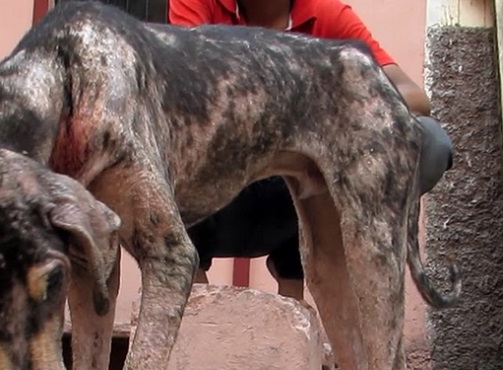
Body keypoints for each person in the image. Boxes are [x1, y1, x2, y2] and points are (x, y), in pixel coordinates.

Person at [170, 0, 454, 300]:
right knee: (165, 151)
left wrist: (326, 112)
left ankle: (303, 289)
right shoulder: (197, 4)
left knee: (429, 140)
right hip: (216, 189)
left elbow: (415, 99)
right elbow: (191, 93)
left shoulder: (325, 13)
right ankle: (195, 316)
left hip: (298, 193)